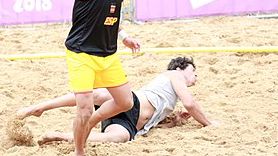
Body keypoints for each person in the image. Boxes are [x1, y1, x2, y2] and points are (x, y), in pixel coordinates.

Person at [64, 0, 141, 156]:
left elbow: (111, 17)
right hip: (82, 54)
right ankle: (78, 153)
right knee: (85, 109)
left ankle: (92, 122)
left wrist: (124, 36)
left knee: (125, 101)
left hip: (108, 55)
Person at [19, 56, 221, 144]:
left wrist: (173, 122)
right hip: (131, 103)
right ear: (179, 69)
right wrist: (209, 124)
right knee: (99, 94)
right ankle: (40, 107)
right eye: (193, 71)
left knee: (117, 138)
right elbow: (191, 104)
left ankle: (62, 136)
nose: (196, 76)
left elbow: (152, 125)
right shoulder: (174, 76)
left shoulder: (171, 97)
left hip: (129, 123)